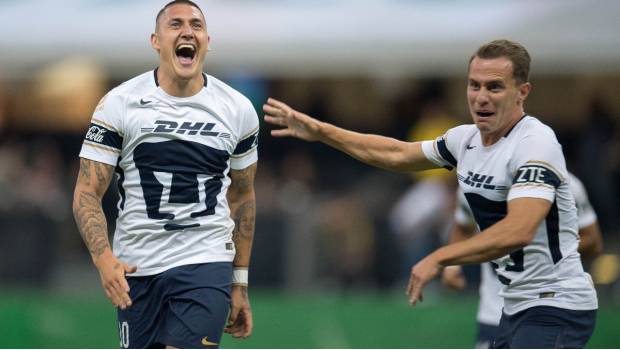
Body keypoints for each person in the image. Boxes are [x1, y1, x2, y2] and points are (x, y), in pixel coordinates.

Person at [263, 39, 598, 348]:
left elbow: (519, 230)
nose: (481, 96)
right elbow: (396, 154)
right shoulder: (463, 141)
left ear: (522, 92)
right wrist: (320, 131)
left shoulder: (535, 142)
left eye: (495, 87)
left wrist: (440, 257)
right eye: (474, 85)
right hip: (514, 306)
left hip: (556, 302)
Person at [72, 1, 258, 348]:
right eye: (176, 24)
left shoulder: (237, 109)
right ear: (156, 40)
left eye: (196, 25)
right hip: (136, 269)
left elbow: (242, 196)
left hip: (205, 260)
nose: (188, 31)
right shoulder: (119, 103)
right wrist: (104, 260)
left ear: (207, 40)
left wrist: (239, 282)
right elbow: (86, 191)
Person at [442, 172, 603, 348]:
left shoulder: (565, 182)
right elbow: (463, 227)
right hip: (494, 310)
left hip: (545, 304)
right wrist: (452, 267)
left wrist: (545, 247)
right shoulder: (474, 181)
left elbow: (593, 240)